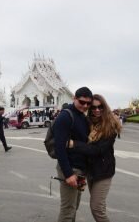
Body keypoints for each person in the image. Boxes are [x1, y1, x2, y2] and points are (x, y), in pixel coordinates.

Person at [68, 94, 121, 222]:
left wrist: (74, 144)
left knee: (97, 208)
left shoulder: (110, 126)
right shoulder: (89, 123)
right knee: (94, 206)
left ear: (105, 107)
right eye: (94, 107)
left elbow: (97, 150)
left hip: (103, 172)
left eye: (100, 107)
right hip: (89, 170)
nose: (97, 110)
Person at [53, 87, 93, 222]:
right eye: (82, 102)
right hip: (70, 169)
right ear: (74, 98)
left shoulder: (82, 116)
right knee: (68, 209)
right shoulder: (65, 116)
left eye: (88, 104)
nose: (85, 106)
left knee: (74, 206)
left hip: (81, 169)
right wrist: (68, 173)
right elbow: (59, 148)